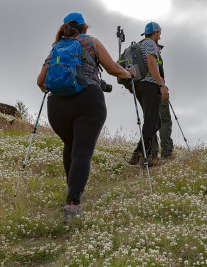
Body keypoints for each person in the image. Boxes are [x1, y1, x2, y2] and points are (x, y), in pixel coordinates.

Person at [37, 12, 135, 223]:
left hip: (56, 106)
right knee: (82, 150)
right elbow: (113, 69)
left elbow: (40, 81)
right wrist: (130, 74)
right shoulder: (91, 42)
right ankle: (73, 205)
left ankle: (73, 195)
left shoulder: (55, 48)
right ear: (84, 28)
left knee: (70, 146)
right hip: (88, 100)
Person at [128, 22, 169, 166]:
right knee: (152, 121)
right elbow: (151, 65)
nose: (160, 36)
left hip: (139, 86)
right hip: (150, 86)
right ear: (156, 33)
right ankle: (139, 152)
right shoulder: (151, 44)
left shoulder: (140, 44)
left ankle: (145, 153)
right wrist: (162, 85)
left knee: (154, 121)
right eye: (159, 33)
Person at [151, 44, 174, 159]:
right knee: (164, 121)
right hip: (158, 91)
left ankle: (152, 153)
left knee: (151, 121)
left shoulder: (143, 56)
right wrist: (163, 86)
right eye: (159, 48)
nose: (160, 50)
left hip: (145, 92)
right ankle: (166, 152)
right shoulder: (155, 57)